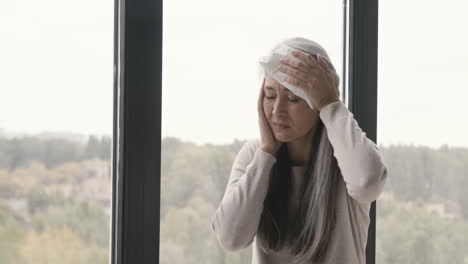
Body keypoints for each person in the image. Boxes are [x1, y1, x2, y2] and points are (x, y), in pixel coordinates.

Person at [210, 37, 388, 264]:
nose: (277, 111)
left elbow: (367, 184)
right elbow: (230, 238)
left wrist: (330, 104)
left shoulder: (347, 153)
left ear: (319, 103)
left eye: (293, 98)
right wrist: (266, 154)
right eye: (270, 95)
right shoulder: (254, 155)